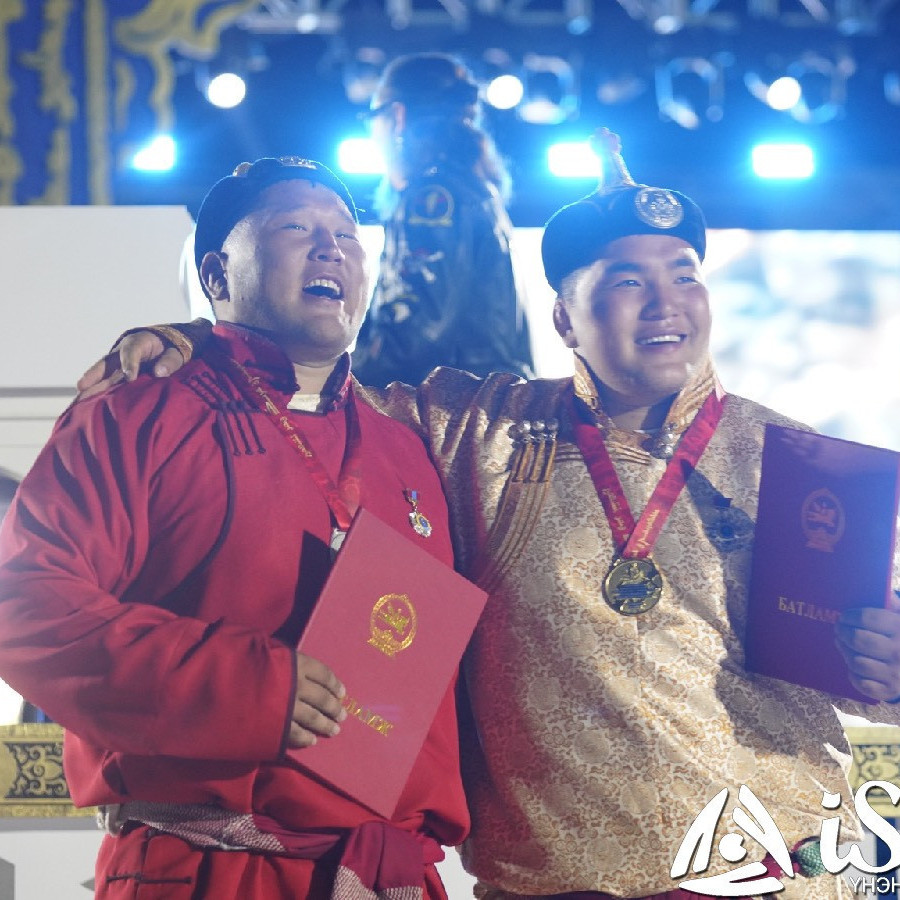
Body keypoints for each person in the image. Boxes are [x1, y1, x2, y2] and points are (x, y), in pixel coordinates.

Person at [74, 131, 900, 899]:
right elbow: (309, 396)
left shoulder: (798, 463)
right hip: (556, 880)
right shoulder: (478, 431)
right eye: (627, 282)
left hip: (778, 868)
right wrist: (200, 340)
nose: (665, 304)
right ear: (564, 317)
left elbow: (870, 681)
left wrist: (890, 668)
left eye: (685, 275)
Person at [0, 157, 469, 899]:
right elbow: (25, 609)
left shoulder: (408, 443)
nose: (332, 249)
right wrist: (244, 687)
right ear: (217, 273)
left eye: (348, 236)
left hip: (389, 876)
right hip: (205, 868)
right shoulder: (139, 411)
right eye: (297, 229)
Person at [350, 51, 534, 387]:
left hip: (446, 406)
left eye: (372, 115)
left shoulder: (432, 198)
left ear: (397, 115)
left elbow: (417, 333)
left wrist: (346, 378)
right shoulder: (465, 187)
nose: (371, 130)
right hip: (477, 399)